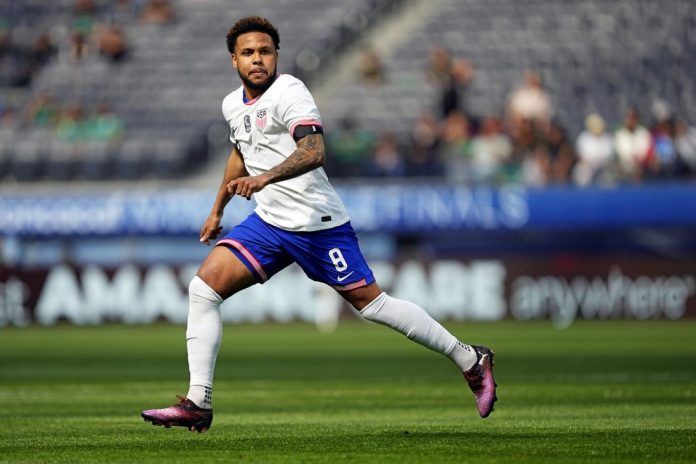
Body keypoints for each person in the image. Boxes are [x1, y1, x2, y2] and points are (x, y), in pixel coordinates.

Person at [141, 16, 497, 433]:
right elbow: (240, 153)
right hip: (270, 224)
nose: (257, 59)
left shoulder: (290, 91)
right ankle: (198, 402)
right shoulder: (231, 105)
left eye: (265, 51)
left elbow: (313, 151)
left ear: (276, 55)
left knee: (373, 305)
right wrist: (217, 209)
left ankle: (470, 358)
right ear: (234, 60)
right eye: (248, 53)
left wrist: (264, 178)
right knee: (203, 290)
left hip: (317, 224)